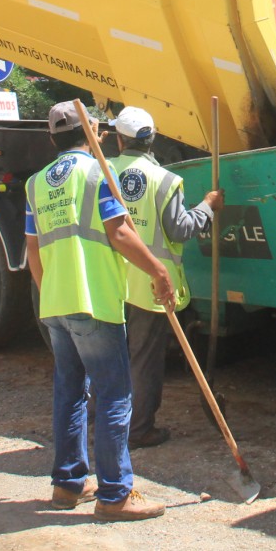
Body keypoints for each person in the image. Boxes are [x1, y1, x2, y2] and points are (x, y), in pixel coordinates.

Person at [24, 101, 174, 522]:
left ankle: (68, 483)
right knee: (114, 394)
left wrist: (51, 295)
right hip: (94, 302)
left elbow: (33, 250)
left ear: (52, 138)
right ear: (93, 132)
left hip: (55, 303)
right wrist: (159, 271)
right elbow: (120, 233)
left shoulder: (35, 183)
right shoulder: (98, 173)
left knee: (70, 392)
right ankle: (114, 493)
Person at [109, 106, 224, 449]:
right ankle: (139, 429)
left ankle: (105, 422)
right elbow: (181, 229)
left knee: (109, 356)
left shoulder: (102, 171)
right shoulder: (164, 181)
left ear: (119, 140)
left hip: (109, 280)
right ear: (153, 139)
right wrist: (208, 206)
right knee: (143, 360)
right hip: (149, 285)